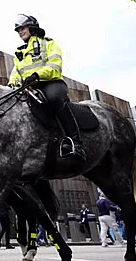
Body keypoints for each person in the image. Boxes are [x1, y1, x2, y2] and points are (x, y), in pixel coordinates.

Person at [8, 14, 84, 159]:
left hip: (51, 83)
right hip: (30, 88)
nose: (20, 32)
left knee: (54, 99)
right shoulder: (19, 53)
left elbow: (55, 66)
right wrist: (12, 84)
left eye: (22, 28)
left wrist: (36, 75)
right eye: (18, 30)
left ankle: (75, 142)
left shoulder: (48, 43)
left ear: (32, 27)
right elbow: (15, 73)